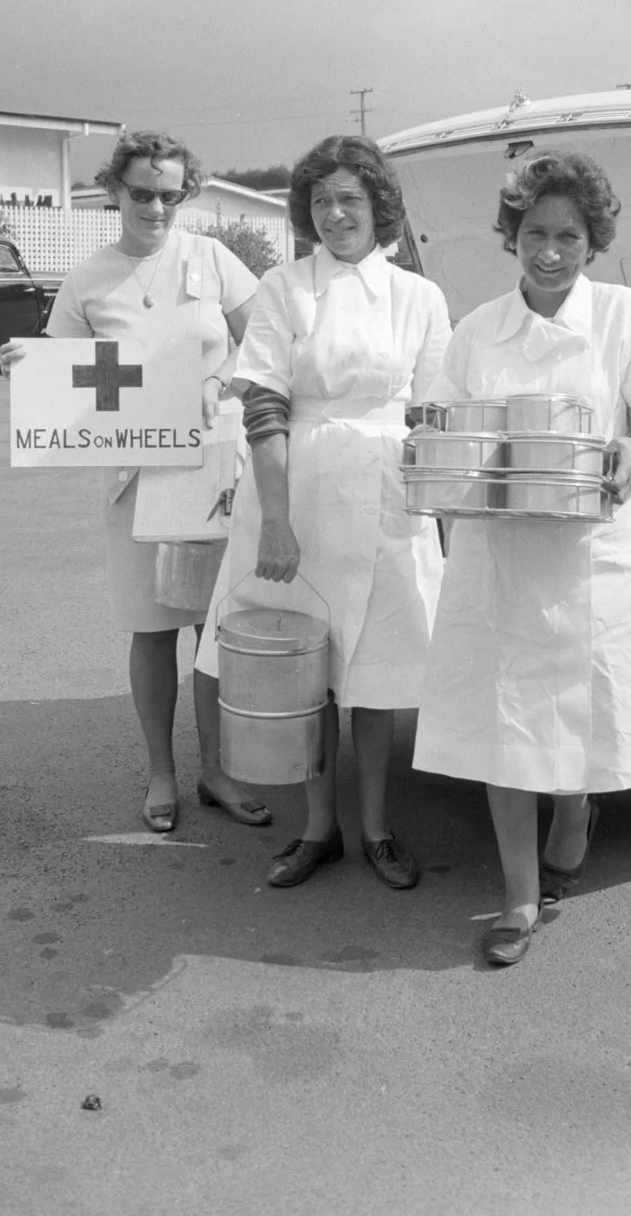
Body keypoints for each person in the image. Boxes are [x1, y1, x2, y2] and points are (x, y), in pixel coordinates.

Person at [412, 150, 631, 965]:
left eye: (568, 235)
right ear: (511, 234)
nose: (549, 250)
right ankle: (518, 897)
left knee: (578, 706)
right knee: (509, 721)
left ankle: (574, 815)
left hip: (594, 546)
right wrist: (432, 456)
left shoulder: (625, 316)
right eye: (534, 231)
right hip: (501, 549)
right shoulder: (475, 331)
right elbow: (449, 435)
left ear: (592, 239)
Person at [193, 135, 452, 889]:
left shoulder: (420, 298)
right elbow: (265, 406)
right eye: (320, 200)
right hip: (295, 494)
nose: (335, 214)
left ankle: (374, 827)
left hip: (388, 497)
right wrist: (275, 520)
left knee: (373, 673)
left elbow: (434, 415)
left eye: (350, 199)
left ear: (379, 207)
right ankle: (319, 829)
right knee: (302, 667)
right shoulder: (284, 286)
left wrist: (438, 513)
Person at [0, 129, 272, 834]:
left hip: (216, 469)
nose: (156, 206)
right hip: (137, 477)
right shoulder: (89, 277)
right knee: (152, 630)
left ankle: (217, 769)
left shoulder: (212, 259)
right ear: (115, 190)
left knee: (215, 628)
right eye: (142, 192)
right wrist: (21, 367)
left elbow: (270, 351)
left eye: (169, 194)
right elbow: (60, 374)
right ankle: (161, 772)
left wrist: (230, 391)